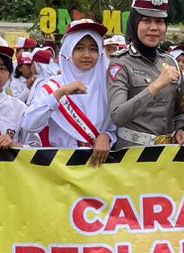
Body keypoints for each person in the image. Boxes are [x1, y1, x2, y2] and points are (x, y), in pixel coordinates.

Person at [23, 19, 116, 166]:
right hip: (60, 168)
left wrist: (107, 135)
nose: (87, 55)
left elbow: (114, 125)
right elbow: (29, 124)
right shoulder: (51, 86)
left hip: (98, 168)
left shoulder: (107, 85)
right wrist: (60, 93)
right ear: (68, 51)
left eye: (93, 49)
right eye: (79, 48)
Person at [109, 0, 184, 148]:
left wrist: (182, 128)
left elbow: (180, 111)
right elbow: (117, 116)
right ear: (134, 23)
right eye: (146, 21)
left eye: (159, 22)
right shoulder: (120, 63)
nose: (154, 28)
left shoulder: (171, 62)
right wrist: (155, 86)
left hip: (166, 155)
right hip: (131, 154)